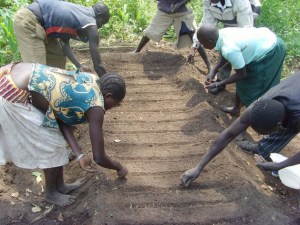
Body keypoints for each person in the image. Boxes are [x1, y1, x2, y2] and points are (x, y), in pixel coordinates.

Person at [0, 63, 128, 206]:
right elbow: (99, 157)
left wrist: (79, 154)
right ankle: (50, 193)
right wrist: (119, 167)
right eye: (115, 104)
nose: (113, 107)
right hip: (10, 92)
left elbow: (60, 116)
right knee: (50, 143)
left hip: (15, 76)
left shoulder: (91, 80)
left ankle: (60, 186)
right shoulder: (96, 107)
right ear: (108, 95)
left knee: (55, 137)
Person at [180, 71, 300, 187]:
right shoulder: (260, 107)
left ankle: (267, 151)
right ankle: (265, 150)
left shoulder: (297, 118)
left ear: (279, 125)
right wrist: (198, 167)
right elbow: (228, 134)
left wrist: (279, 166)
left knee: (291, 128)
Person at [198, 24, 285, 116]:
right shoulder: (221, 34)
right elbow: (225, 54)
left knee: (259, 88)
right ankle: (236, 109)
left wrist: (218, 84)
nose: (203, 46)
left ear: (210, 41)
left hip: (271, 49)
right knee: (241, 83)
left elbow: (241, 74)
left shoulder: (229, 48)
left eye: (203, 44)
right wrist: (213, 71)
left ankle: (261, 117)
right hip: (261, 42)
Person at [13, 0, 110, 76]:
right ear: (99, 15)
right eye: (102, 23)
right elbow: (98, 66)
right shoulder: (90, 23)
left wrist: (79, 66)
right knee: (36, 73)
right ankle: (32, 99)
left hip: (44, 27)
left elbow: (64, 44)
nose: (100, 27)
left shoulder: (79, 13)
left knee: (57, 57)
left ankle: (53, 93)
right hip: (30, 22)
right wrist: (109, 84)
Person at [187, 0, 259, 94]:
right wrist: (194, 46)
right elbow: (206, 24)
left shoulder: (239, 2)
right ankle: (221, 80)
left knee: (240, 50)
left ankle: (250, 84)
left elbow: (246, 30)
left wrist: (235, 48)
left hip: (247, 17)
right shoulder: (207, 1)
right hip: (228, 19)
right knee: (225, 47)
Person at [133, 0, 211, 72]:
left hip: (183, 11)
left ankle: (209, 65)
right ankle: (136, 51)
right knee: (150, 32)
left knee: (194, 35)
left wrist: (179, 4)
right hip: (164, 11)